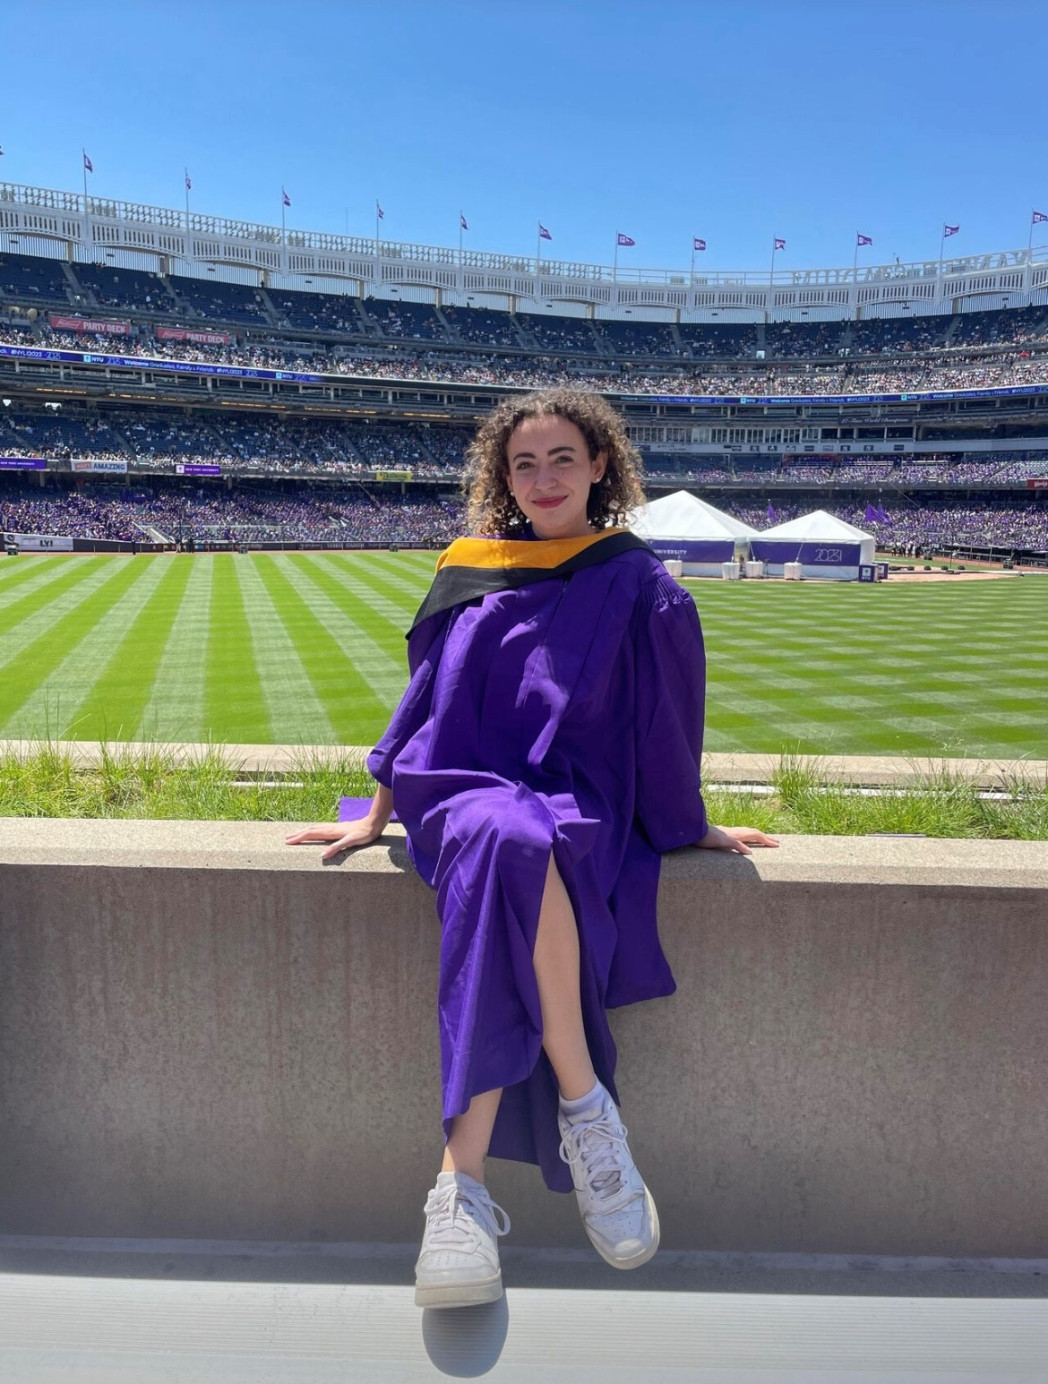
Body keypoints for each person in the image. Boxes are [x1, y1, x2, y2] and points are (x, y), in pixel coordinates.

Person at [287, 388, 778, 1309]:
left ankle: (460, 1192)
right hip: (460, 787)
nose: (544, 478)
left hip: (573, 799)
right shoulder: (473, 568)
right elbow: (422, 703)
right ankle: (589, 1110)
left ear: (601, 465)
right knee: (508, 833)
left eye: (563, 459)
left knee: (524, 844)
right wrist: (377, 812)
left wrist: (688, 824)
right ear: (501, 476)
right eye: (524, 463)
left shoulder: (640, 584)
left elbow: (666, 725)